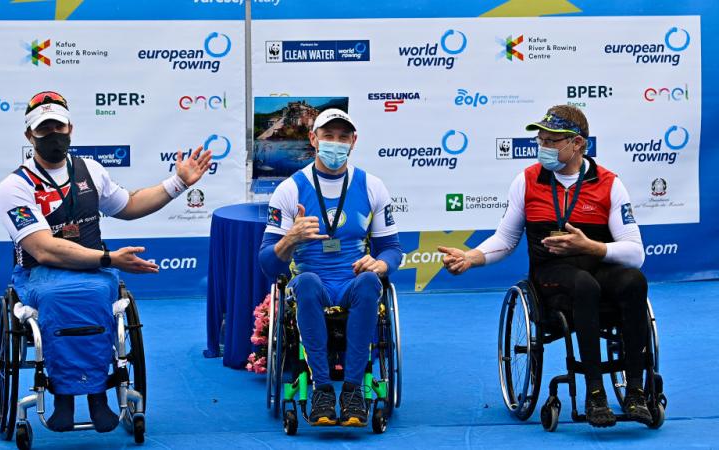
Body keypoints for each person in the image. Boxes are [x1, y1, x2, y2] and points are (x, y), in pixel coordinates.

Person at [0, 91, 212, 433]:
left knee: (97, 295)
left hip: (95, 270)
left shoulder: (90, 171)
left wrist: (179, 182)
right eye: (43, 129)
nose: (53, 134)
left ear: (70, 128)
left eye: (58, 126)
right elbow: (44, 249)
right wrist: (110, 258)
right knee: (58, 297)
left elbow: (130, 205)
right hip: (40, 275)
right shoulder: (14, 186)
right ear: (29, 136)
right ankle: (63, 396)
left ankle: (98, 394)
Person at [438, 105, 652, 428]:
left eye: (551, 141)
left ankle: (636, 389)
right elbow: (505, 240)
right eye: (541, 140)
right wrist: (470, 258)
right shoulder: (526, 181)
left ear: (577, 143)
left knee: (634, 281)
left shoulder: (610, 184)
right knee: (584, 284)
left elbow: (636, 253)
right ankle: (595, 392)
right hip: (551, 277)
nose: (543, 148)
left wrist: (591, 247)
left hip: (595, 266)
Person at [259, 109, 402, 427]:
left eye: (342, 137)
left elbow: (392, 250)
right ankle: (321, 388)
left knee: (369, 282)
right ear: (313, 139)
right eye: (328, 136)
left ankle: (352, 390)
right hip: (312, 281)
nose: (335, 144)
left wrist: (379, 264)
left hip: (352, 280)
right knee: (306, 282)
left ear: (353, 142)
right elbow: (268, 262)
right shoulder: (290, 190)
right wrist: (290, 239)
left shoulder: (372, 186)